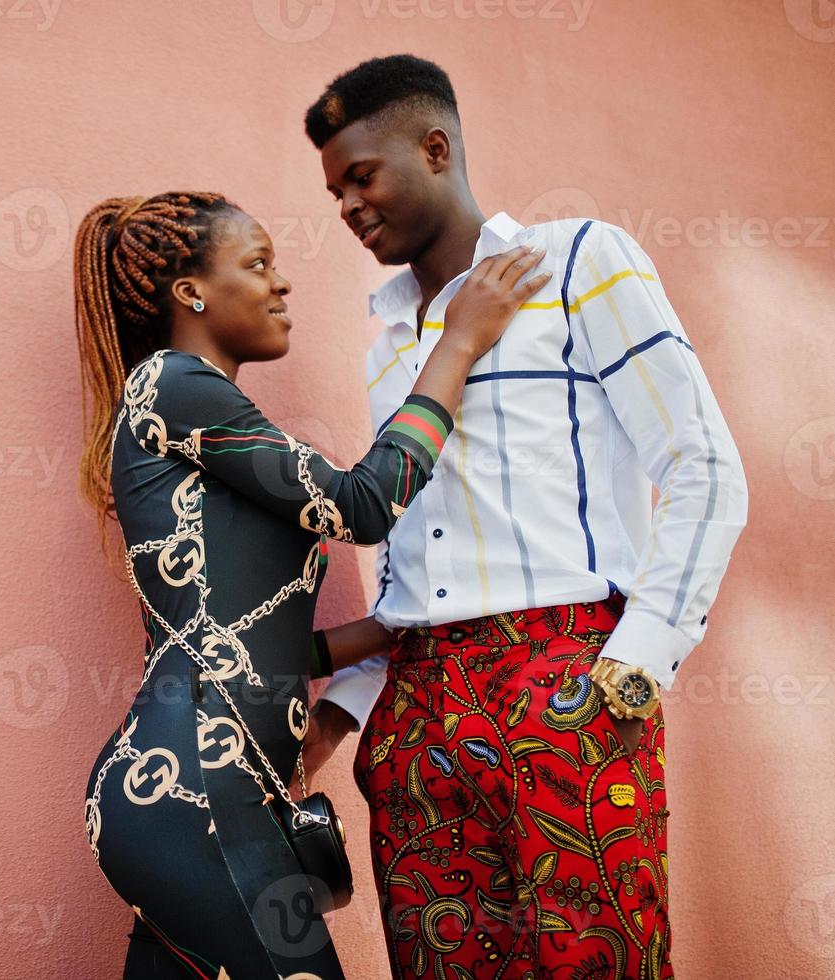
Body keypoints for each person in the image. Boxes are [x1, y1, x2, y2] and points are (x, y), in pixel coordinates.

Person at [300, 55, 749, 979]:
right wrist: (345, 721)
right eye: (333, 189)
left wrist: (629, 673)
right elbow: (412, 569)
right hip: (418, 713)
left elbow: (701, 466)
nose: (345, 205)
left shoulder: (580, 261)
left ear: (435, 148)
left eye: (361, 175)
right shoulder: (390, 342)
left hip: (563, 678)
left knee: (599, 964)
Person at [75, 190, 549, 979]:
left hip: (188, 796)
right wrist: (459, 341)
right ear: (190, 292)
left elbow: (242, 639)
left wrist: (394, 630)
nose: (280, 284)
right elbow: (361, 504)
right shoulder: (172, 383)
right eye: (257, 264)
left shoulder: (193, 407)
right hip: (196, 795)